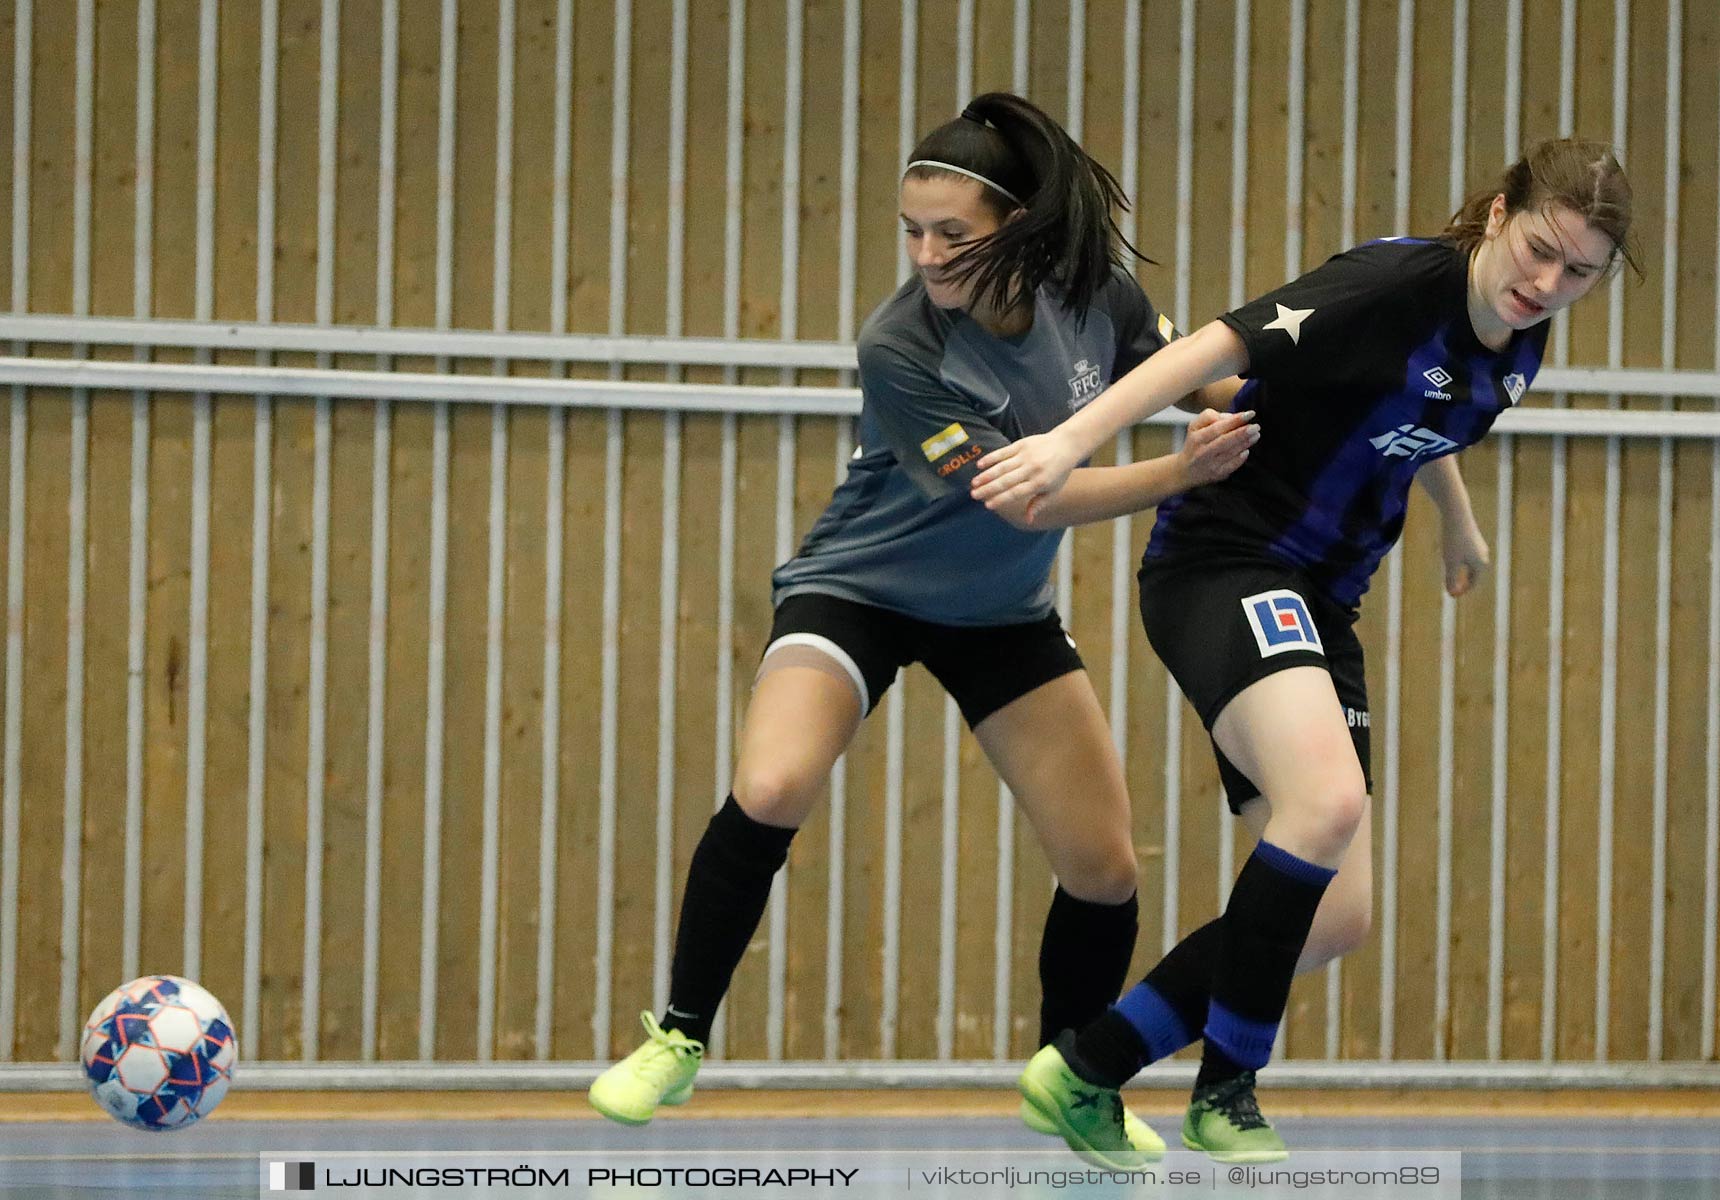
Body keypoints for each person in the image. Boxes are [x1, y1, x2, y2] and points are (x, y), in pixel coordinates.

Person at [587, 92, 1254, 1152]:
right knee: (770, 785)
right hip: (859, 589)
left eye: (954, 233)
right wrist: (1181, 474)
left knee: (1105, 866)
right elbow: (1022, 497)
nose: (927, 253)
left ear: (1020, 229)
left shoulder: (1100, 302)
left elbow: (1211, 379)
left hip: (1000, 614)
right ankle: (676, 1038)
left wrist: (1315, 374)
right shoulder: (899, 344)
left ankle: (1073, 1084)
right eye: (912, 230)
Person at [973, 138, 1636, 1167]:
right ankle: (1224, 1088)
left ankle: (1087, 1068)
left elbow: (1419, 418)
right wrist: (1068, 443)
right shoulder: (1385, 285)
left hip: (1328, 602)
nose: (1547, 285)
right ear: (1500, 212)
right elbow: (1208, 348)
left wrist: (1455, 521)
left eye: (1580, 273)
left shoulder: (1519, 336)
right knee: (1323, 807)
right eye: (1540, 251)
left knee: (1333, 916)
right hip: (1227, 563)